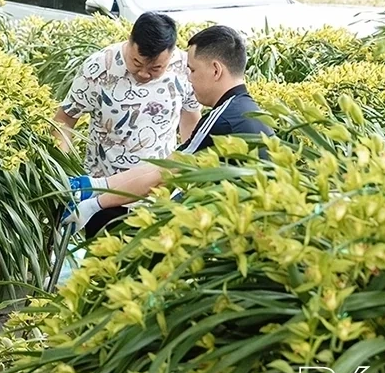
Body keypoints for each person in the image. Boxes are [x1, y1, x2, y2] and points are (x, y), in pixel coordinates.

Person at [65, 25, 274, 238]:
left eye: (192, 70)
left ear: (216, 70)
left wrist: (94, 201)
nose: (189, 78)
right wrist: (96, 185)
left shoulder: (223, 120)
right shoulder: (247, 112)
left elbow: (164, 173)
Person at [54, 12, 202, 182]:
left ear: (171, 53)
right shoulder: (100, 66)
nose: (143, 74)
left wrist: (189, 172)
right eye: (137, 63)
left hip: (158, 187)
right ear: (129, 41)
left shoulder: (184, 67)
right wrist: (63, 172)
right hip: (100, 186)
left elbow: (190, 120)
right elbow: (64, 119)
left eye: (155, 69)